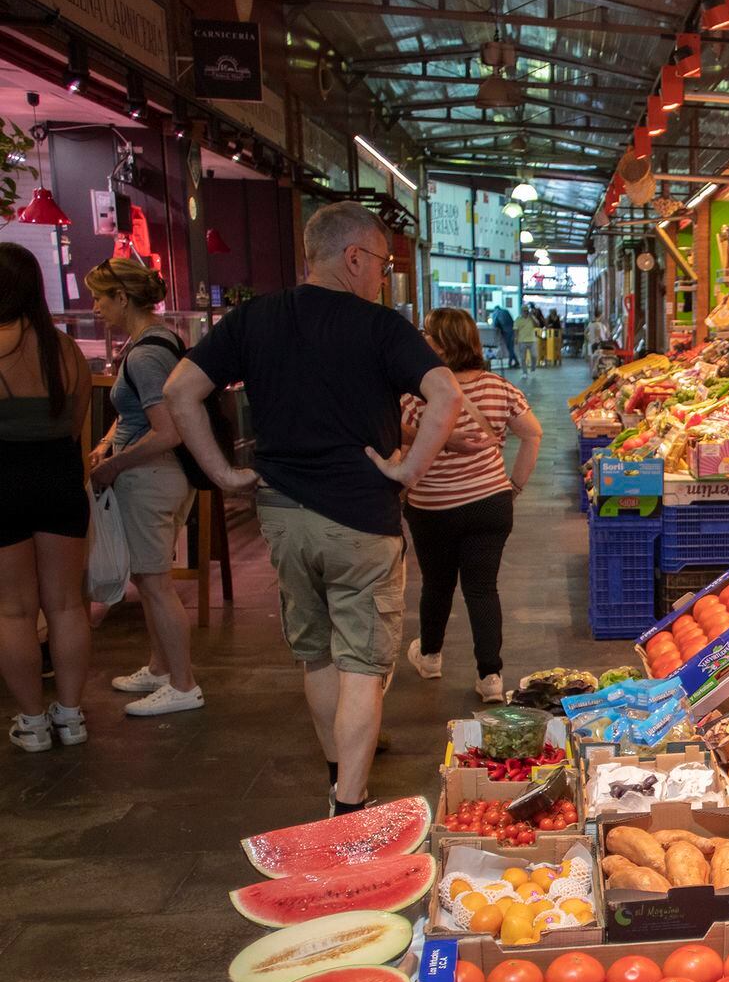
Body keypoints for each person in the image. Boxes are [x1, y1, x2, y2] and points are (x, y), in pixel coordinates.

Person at [163, 201, 466, 815]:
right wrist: (408, 470)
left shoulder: (253, 319)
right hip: (361, 519)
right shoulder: (382, 327)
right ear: (353, 257)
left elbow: (179, 392)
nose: (381, 276)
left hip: (282, 514)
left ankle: (336, 771)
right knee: (361, 664)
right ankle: (350, 803)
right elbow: (447, 394)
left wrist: (220, 474)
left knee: (317, 653)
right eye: (381, 262)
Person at [401, 308, 542, 703]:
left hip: (433, 508)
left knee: (437, 583)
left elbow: (402, 439)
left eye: (428, 335)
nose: (422, 341)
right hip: (489, 503)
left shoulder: (420, 394)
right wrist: (513, 485)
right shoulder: (500, 388)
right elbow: (532, 435)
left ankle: (430, 657)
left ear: (442, 344)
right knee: (482, 589)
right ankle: (491, 678)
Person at [83, 257, 201, 717]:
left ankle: (184, 683)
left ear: (122, 297)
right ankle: (159, 666)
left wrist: (114, 466)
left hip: (151, 478)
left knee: (154, 584)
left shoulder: (146, 352)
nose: (95, 307)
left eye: (99, 297)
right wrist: (110, 441)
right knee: (150, 578)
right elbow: (137, 414)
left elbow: (167, 429)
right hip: (160, 476)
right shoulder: (159, 340)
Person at [0, 242, 92, 751]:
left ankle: (32, 723)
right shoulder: (65, 350)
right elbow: (76, 423)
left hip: (2, 480)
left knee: (12, 610)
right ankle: (72, 717)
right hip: (58, 477)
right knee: (64, 605)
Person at [487, 302, 517, 367]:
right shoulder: (506, 311)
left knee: (509, 347)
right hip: (512, 330)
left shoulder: (496, 313)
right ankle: (516, 361)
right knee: (510, 347)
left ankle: (510, 362)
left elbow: (495, 324)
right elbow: (512, 320)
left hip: (506, 331)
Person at [513, 307, 539, 373]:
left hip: (532, 340)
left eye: (527, 311)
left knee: (534, 355)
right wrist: (516, 338)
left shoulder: (531, 318)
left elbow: (537, 324)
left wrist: (532, 317)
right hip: (522, 340)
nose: (526, 312)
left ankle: (533, 368)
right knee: (523, 358)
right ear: (521, 311)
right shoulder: (518, 319)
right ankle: (524, 372)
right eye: (524, 311)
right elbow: (516, 329)